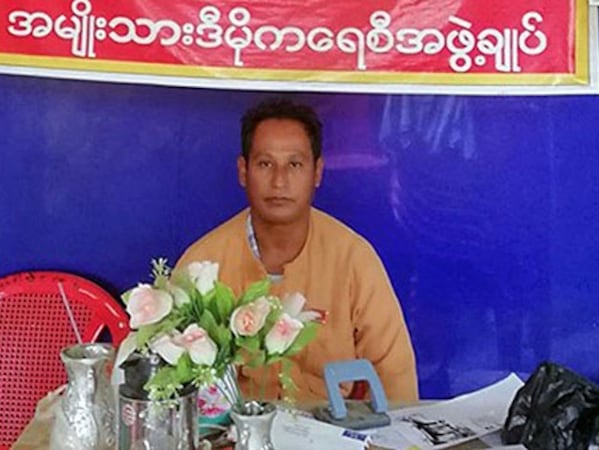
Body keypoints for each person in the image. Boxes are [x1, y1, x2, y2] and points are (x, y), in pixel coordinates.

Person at [175, 98, 418, 403]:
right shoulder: (202, 263)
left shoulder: (353, 257)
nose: (280, 181)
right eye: (265, 164)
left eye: (295, 164)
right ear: (243, 171)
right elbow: (175, 384)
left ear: (317, 172)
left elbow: (394, 373)